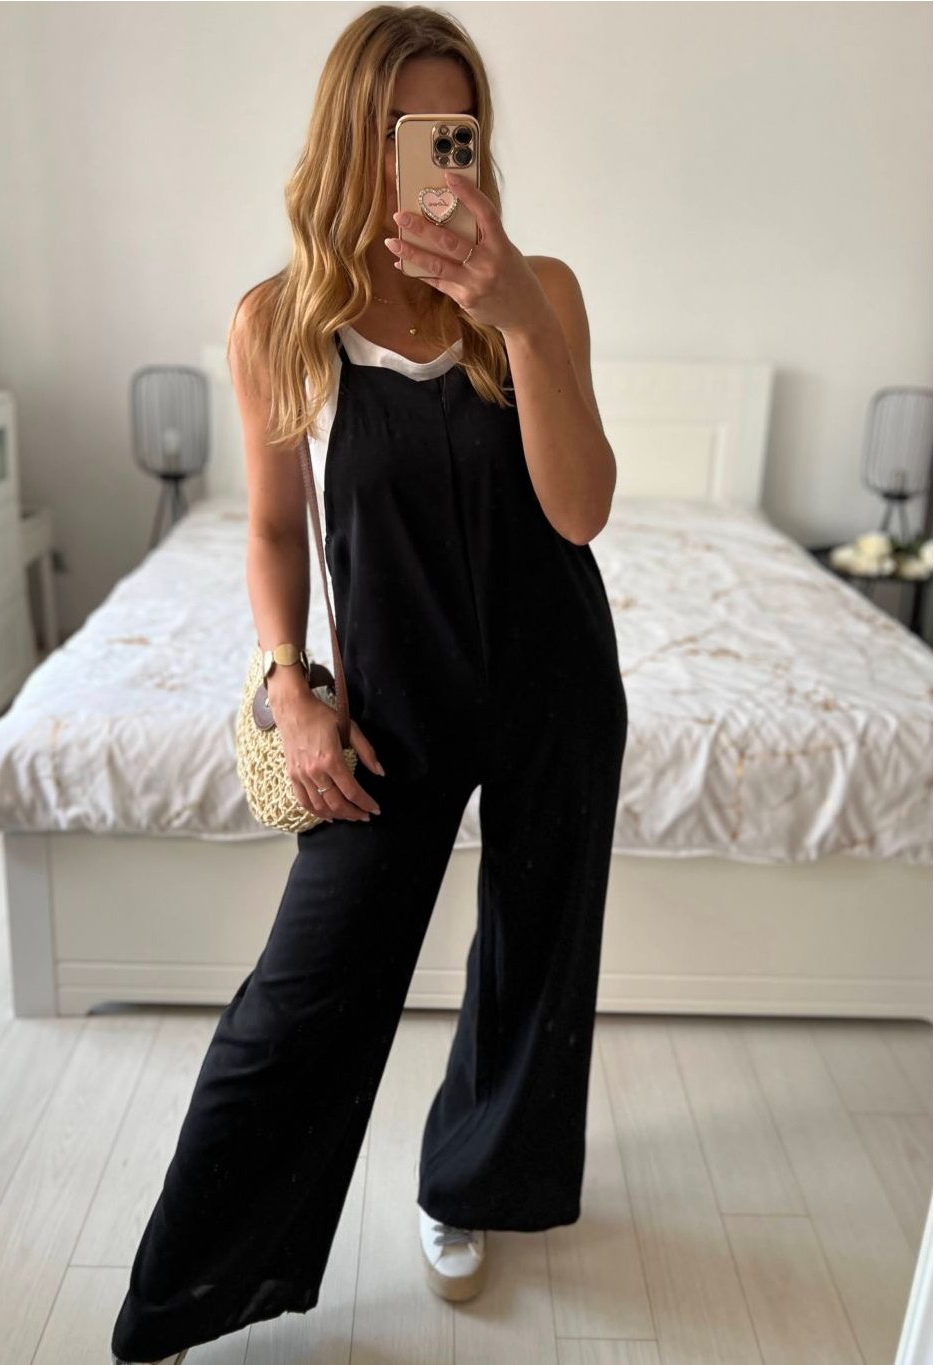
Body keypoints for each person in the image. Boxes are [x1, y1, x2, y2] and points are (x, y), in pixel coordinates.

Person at [110, 5, 628, 1361]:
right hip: (395, 700)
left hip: (555, 679)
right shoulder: (281, 322)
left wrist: (518, 320)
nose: (440, 158)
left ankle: (472, 1183)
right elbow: (275, 533)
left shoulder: (542, 292)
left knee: (535, 954)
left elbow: (581, 513)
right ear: (357, 139)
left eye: (458, 129)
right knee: (301, 999)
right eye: (409, 132)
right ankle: (181, 1300)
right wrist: (288, 682)